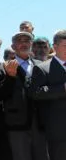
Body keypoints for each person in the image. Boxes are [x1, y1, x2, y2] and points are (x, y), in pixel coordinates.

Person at [0, 32, 48, 160]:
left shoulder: (41, 65)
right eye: (20, 41)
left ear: (31, 44)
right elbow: (0, 94)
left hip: (40, 124)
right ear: (13, 46)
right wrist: (9, 77)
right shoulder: (4, 66)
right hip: (17, 125)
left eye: (27, 41)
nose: (24, 44)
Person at [31, 30, 66, 160]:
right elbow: (36, 93)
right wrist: (62, 88)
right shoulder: (43, 68)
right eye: (65, 45)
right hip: (58, 131)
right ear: (55, 47)